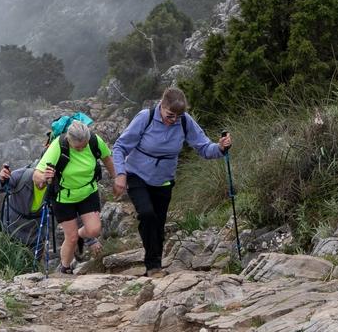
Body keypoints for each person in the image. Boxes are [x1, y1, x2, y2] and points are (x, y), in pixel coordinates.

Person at [111, 87, 232, 277]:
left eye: (178, 115)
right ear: (162, 105)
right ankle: (153, 267)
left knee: (158, 224)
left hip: (164, 180)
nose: (174, 119)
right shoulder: (146, 117)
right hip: (137, 175)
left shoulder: (185, 121)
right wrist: (120, 174)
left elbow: (203, 147)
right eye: (170, 115)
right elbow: (120, 146)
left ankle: (155, 263)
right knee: (147, 214)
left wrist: (220, 147)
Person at [32, 119, 116, 274]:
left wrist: (116, 178)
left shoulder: (94, 140)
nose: (82, 148)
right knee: (70, 239)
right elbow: (36, 176)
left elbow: (107, 158)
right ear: (69, 140)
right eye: (78, 147)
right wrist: (44, 177)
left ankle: (79, 235)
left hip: (88, 192)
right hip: (64, 197)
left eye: (84, 145)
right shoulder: (59, 145)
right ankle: (65, 268)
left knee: (94, 230)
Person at [0, 163, 40, 248]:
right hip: (11, 232)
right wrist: (1, 180)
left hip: (36, 237)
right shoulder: (22, 175)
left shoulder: (56, 182)